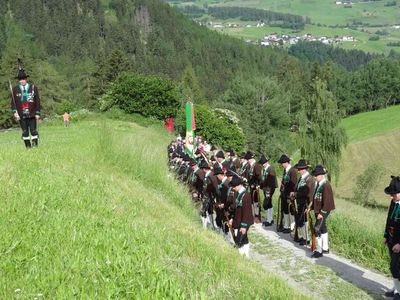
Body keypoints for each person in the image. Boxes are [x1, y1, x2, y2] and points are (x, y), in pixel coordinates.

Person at [308, 165, 335, 258]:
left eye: (316, 175)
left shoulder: (326, 185)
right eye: (315, 175)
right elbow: (316, 198)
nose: (315, 177)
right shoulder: (319, 184)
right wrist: (311, 208)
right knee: (322, 228)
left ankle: (319, 251)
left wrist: (321, 213)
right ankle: (325, 248)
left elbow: (327, 201)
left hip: (323, 210)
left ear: (322, 175)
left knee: (317, 228)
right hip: (318, 210)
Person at [11, 68, 41, 148]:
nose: (22, 81)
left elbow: (37, 101)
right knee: (25, 132)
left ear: (26, 79)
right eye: (20, 79)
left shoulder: (33, 88)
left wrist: (37, 113)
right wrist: (15, 112)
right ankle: (28, 147)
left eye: (23, 79)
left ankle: (35, 147)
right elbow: (13, 103)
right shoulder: (15, 89)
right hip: (21, 115)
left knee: (34, 131)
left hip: (32, 114)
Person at [229, 175, 254, 258]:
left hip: (244, 221)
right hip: (237, 219)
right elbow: (235, 208)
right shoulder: (237, 193)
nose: (233, 188)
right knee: (243, 238)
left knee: (239, 240)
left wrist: (244, 226)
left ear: (239, 185)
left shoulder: (246, 195)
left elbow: (247, 212)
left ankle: (242, 256)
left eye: (234, 186)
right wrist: (232, 218)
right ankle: (246, 255)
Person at [383, 176, 400, 299]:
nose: (391, 196)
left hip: (399, 242)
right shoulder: (393, 202)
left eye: (394, 194)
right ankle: (396, 288)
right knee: (394, 265)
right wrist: (385, 235)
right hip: (391, 238)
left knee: (395, 266)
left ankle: (398, 293)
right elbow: (389, 219)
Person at [291, 159, 315, 245]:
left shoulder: (309, 179)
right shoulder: (302, 178)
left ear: (304, 169)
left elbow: (306, 192)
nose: (298, 171)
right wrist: (294, 193)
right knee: (300, 220)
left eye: (299, 169)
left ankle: (306, 239)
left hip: (305, 202)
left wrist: (295, 194)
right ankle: (303, 237)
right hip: (300, 201)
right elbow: (298, 188)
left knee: (304, 221)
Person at [277, 154, 297, 233]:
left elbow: (293, 184)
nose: (281, 165)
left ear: (286, 162)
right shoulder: (285, 171)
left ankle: (292, 227)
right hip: (284, 193)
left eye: (282, 163)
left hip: (290, 195)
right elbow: (283, 182)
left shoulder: (292, 171)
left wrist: (291, 196)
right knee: (285, 210)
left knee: (291, 210)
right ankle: (286, 225)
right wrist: (281, 191)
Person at [259, 154, 278, 227]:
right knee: (269, 203)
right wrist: (260, 186)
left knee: (266, 204)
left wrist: (268, 192)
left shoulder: (271, 169)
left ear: (266, 162)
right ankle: (270, 219)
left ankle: (269, 220)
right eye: (262, 164)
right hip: (266, 188)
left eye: (263, 163)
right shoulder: (265, 169)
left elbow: (271, 182)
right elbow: (264, 179)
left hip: (269, 189)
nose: (262, 165)